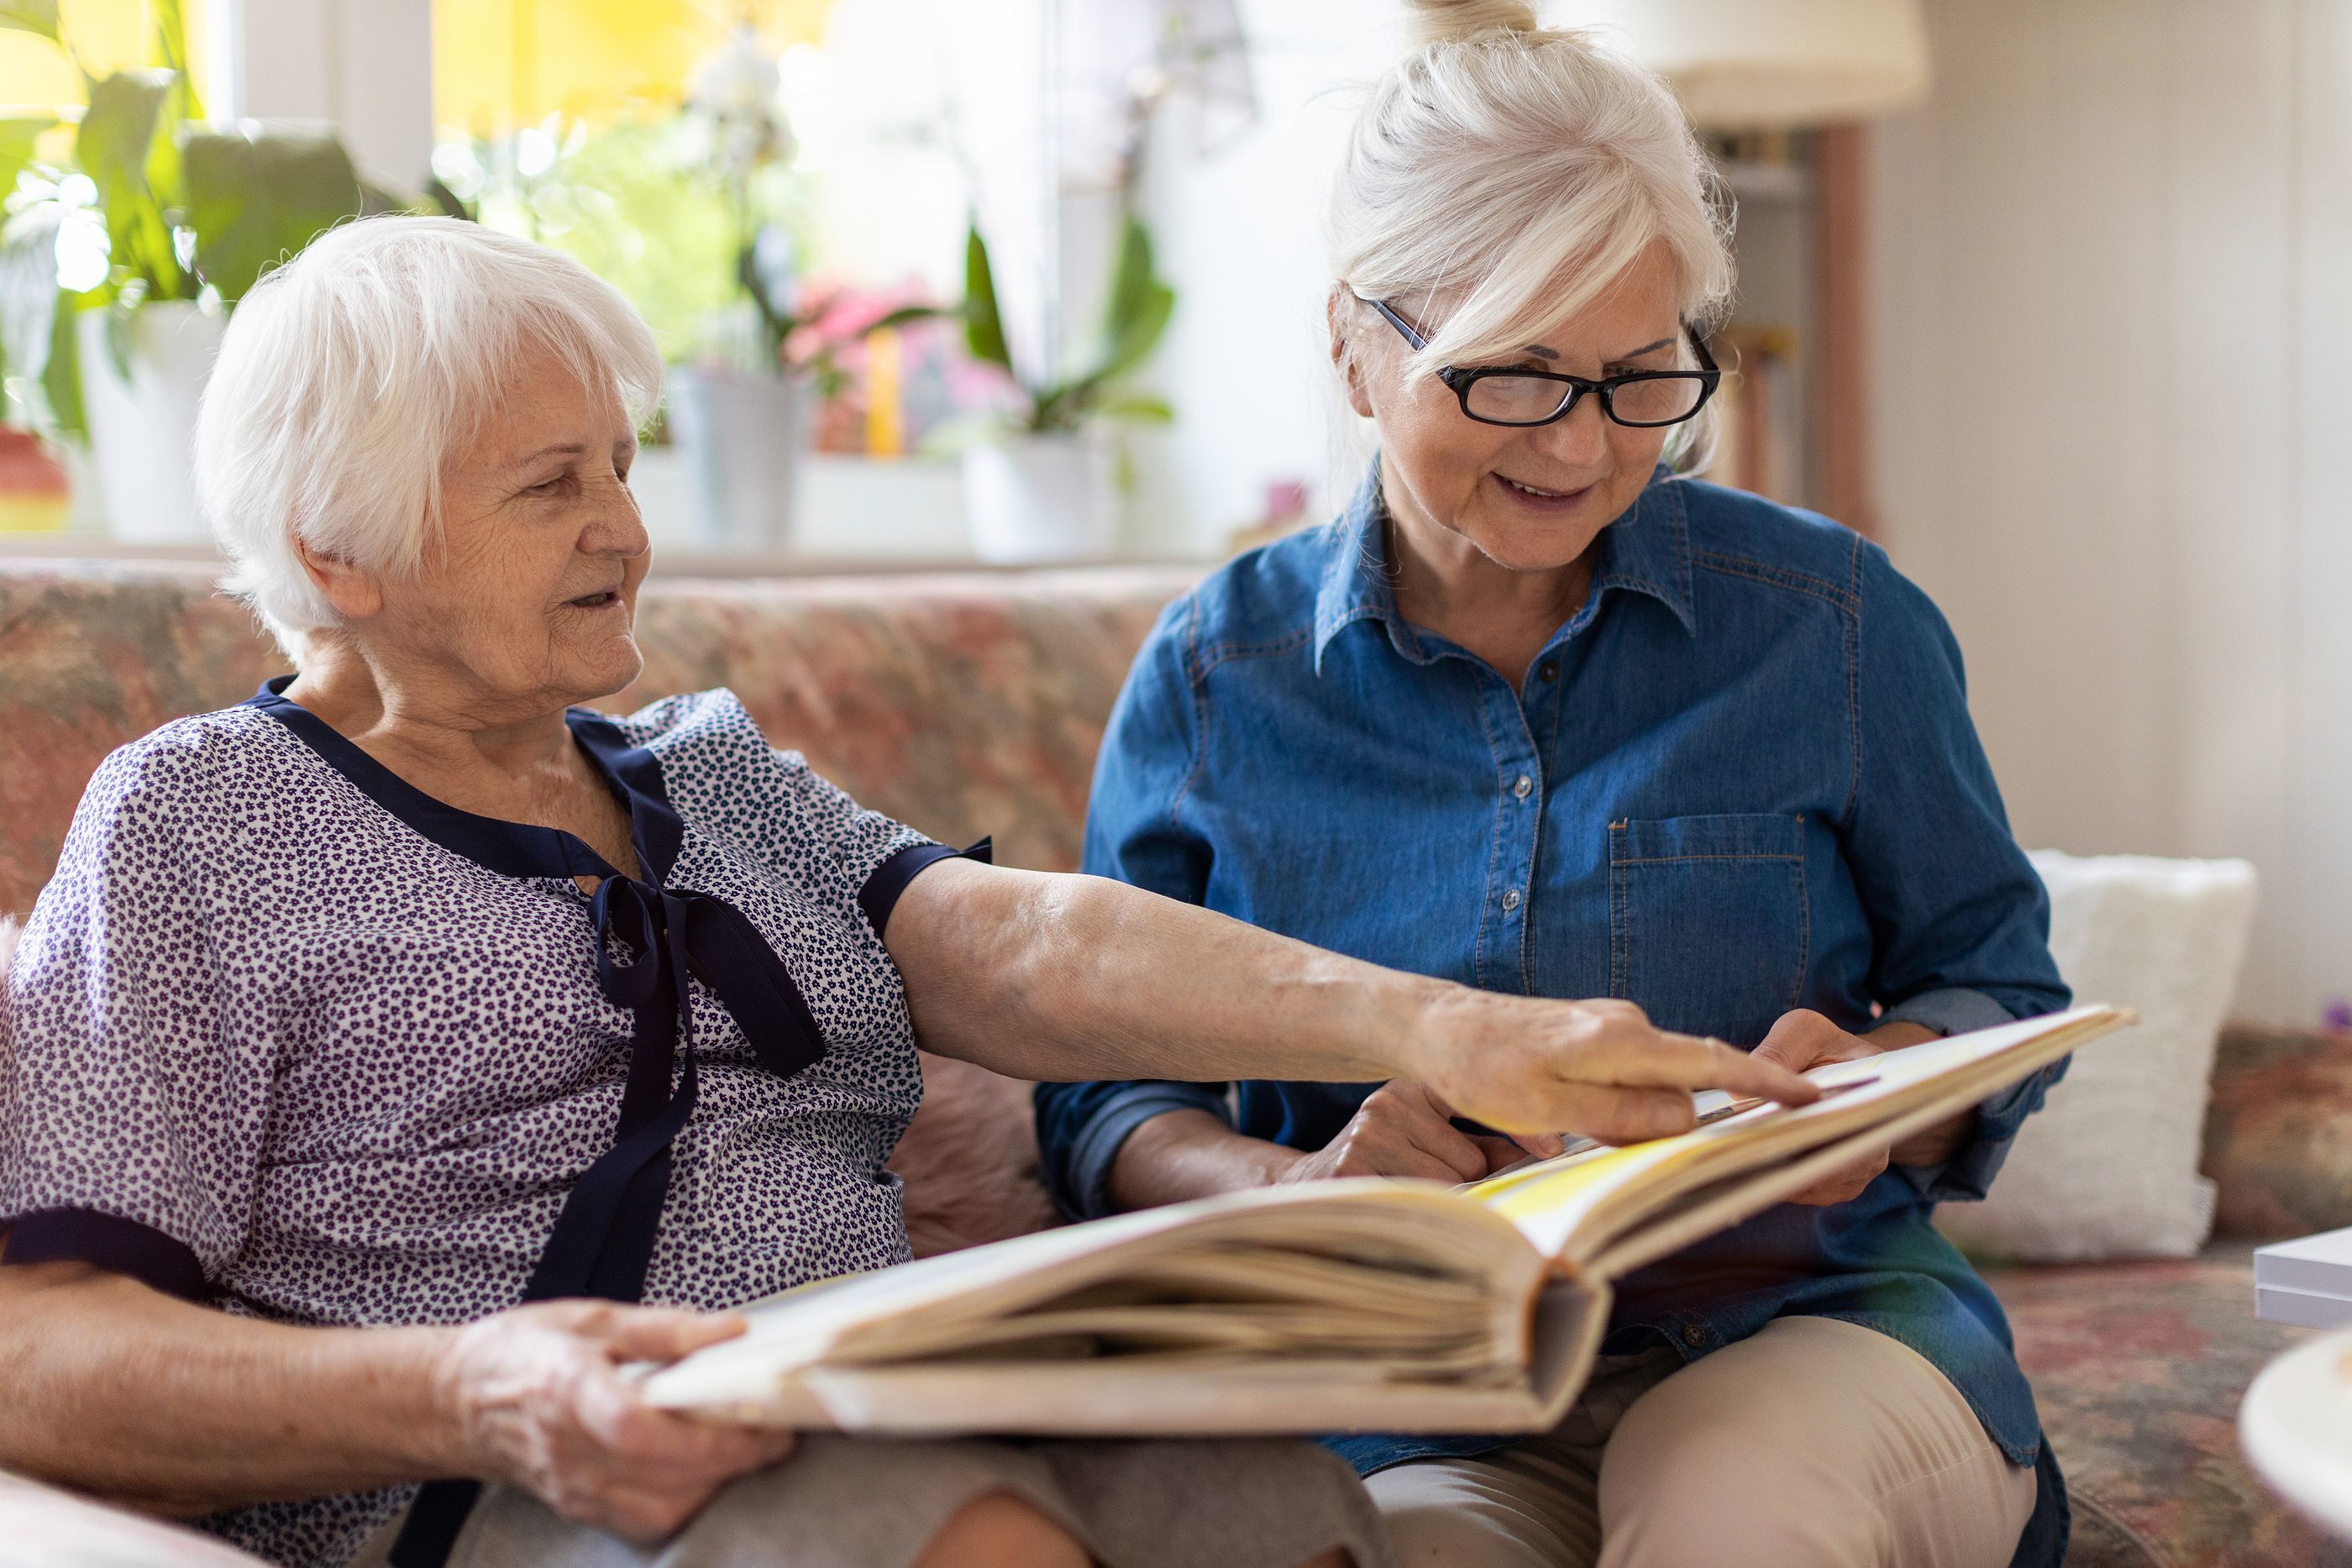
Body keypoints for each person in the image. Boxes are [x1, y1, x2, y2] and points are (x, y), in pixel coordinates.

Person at [0, 217, 1817, 1568]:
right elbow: (38, 1347)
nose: (623, 528)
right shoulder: (199, 820)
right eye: (551, 487)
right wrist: (475, 1386)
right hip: (518, 1482)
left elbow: (1009, 941)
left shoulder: (694, 767)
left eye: (622, 467)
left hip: (882, 1402)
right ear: (338, 549)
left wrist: (1446, 1027)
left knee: (1277, 1511)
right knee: (942, 1535)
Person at [1033, 4, 2076, 1567]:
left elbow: (1999, 984)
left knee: (1731, 1502)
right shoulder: (1213, 676)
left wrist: (1872, 1091)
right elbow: (1102, 1090)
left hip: (1812, 1328)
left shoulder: (1833, 627)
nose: (1582, 447)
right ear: (1352, 346)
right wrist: (1297, 1182)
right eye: (1512, 375)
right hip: (1408, 1389)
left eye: (1638, 376)